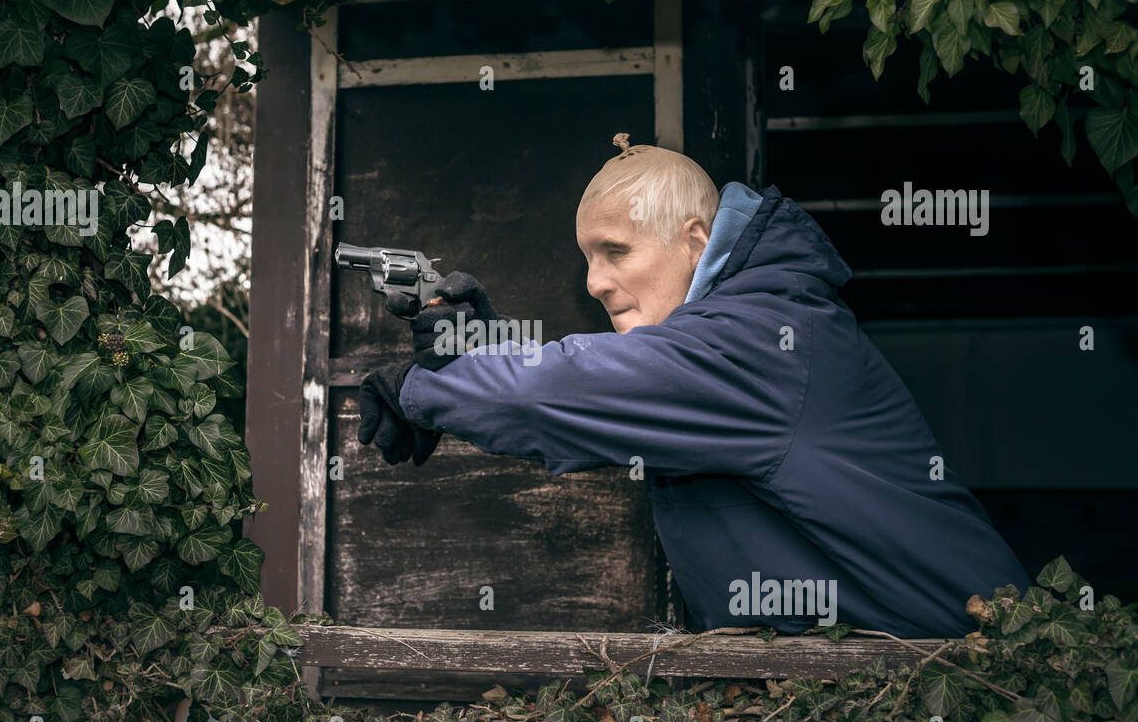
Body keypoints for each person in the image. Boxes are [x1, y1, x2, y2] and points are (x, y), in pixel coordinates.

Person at [356, 134, 1030, 638]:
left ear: (697, 242)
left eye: (616, 252)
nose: (593, 283)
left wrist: (426, 389)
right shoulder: (734, 339)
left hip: (976, 668)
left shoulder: (768, 336)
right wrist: (486, 353)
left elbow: (561, 391)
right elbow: (610, 386)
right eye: (587, 257)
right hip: (875, 687)